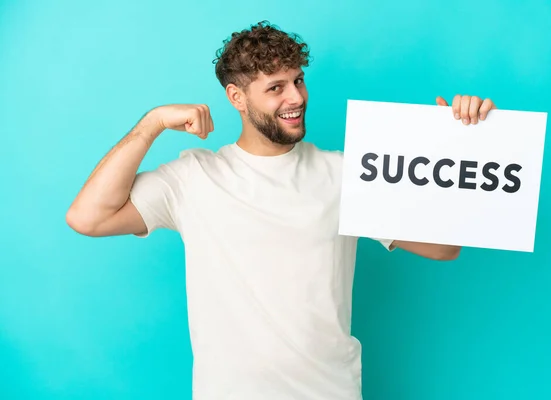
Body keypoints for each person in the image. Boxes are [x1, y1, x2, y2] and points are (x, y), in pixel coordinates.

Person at [66, 20, 496, 400]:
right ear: (236, 97)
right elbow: (89, 217)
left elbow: (444, 248)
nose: (296, 97)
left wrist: (459, 148)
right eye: (276, 87)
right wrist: (153, 122)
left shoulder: (345, 173)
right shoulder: (194, 178)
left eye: (299, 81)